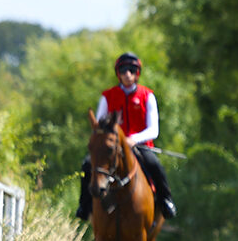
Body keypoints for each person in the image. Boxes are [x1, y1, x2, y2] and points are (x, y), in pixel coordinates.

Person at [76, 51, 177, 220]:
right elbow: (100, 124)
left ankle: (166, 201)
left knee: (155, 165)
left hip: (140, 146)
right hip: (112, 146)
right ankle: (84, 206)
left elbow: (154, 130)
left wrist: (133, 139)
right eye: (123, 71)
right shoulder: (107, 96)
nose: (127, 74)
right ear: (118, 74)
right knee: (87, 164)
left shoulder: (147, 95)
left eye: (132, 70)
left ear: (137, 73)